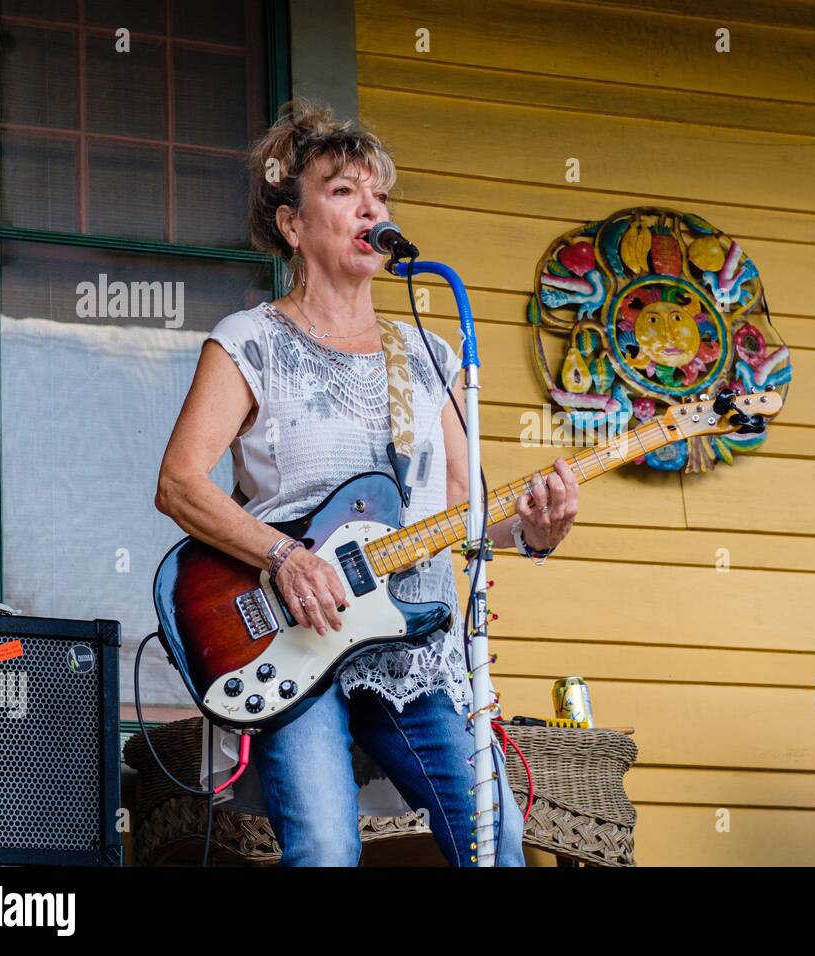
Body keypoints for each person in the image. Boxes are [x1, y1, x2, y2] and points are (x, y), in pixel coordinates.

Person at [155, 99, 579, 866]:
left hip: (413, 646)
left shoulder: (427, 352)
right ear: (292, 224)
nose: (371, 207)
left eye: (379, 194)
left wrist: (534, 531)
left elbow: (465, 510)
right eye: (345, 190)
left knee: (497, 841)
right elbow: (181, 483)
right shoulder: (252, 341)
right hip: (292, 632)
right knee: (323, 845)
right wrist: (285, 558)